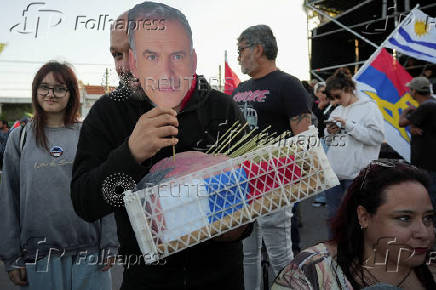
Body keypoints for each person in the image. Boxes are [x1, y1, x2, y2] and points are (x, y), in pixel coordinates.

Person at [71, 2, 249, 289]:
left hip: (221, 278)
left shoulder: (222, 108)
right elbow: (84, 202)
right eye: (118, 54)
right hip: (146, 280)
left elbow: (254, 189)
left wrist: (240, 227)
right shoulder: (108, 112)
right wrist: (129, 155)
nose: (125, 66)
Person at [0, 61, 118, 290]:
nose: (50, 94)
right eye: (44, 87)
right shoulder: (20, 137)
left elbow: (105, 190)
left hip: (90, 254)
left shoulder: (89, 135)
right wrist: (12, 257)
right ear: (35, 91)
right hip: (41, 256)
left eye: (60, 88)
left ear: (71, 93)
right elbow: (9, 199)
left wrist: (110, 243)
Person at [231, 24, 312, 290]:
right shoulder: (239, 88)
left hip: (275, 181)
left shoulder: (289, 85)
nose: (239, 56)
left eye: (241, 49)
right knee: (246, 253)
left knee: (280, 254)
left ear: (258, 49)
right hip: (242, 182)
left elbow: (304, 139)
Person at [273, 161, 436, 289]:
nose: (424, 233)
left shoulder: (431, 269)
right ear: (364, 217)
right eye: (405, 218)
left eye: (428, 218)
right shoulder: (311, 273)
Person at [324, 68, 384, 226]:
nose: (335, 101)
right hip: (333, 174)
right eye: (331, 97)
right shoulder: (337, 110)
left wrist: (349, 126)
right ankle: (336, 250)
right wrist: (329, 132)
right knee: (333, 218)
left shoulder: (369, 108)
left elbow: (377, 137)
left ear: (348, 89)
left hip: (357, 176)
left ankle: (353, 251)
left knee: (353, 221)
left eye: (337, 96)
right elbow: (329, 142)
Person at [399, 76, 436, 207]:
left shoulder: (426, 107)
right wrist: (413, 126)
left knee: (429, 198)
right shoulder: (431, 104)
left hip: (426, 163)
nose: (409, 92)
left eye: (410, 90)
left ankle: (431, 225)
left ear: (414, 91)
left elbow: (401, 123)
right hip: (429, 162)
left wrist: (405, 112)